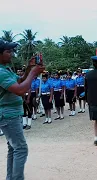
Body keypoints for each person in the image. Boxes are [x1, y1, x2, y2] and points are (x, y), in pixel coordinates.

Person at [0, 40, 45, 180]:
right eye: (8, 51)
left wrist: (28, 71)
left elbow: (19, 82)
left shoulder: (5, 69)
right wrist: (33, 73)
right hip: (9, 115)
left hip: (11, 114)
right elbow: (20, 90)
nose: (12, 54)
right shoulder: (0, 72)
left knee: (13, 148)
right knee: (21, 148)